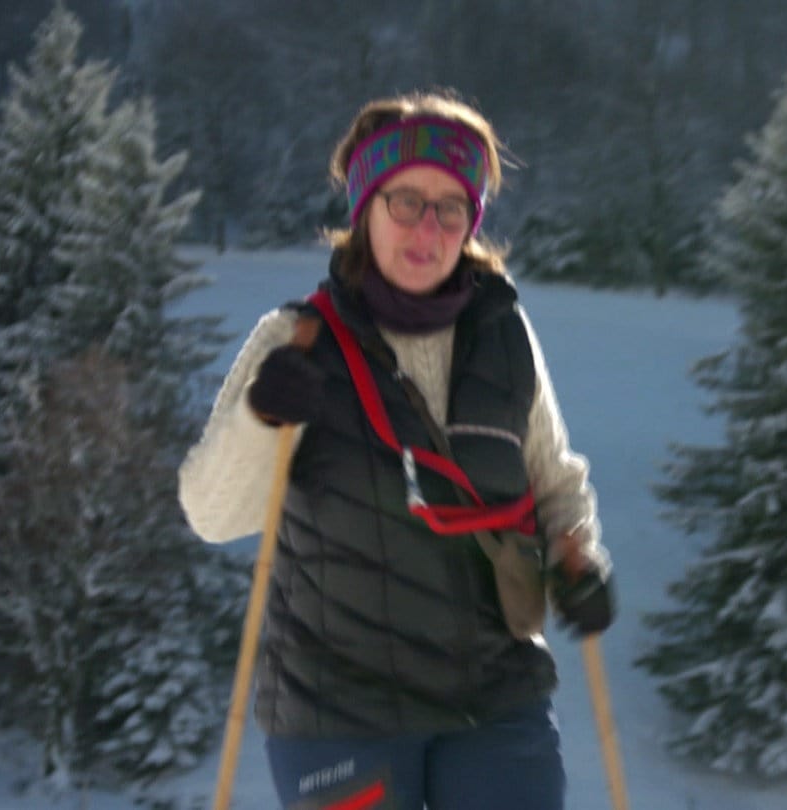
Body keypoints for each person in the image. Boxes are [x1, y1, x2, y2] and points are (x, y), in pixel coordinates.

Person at [178, 90, 614, 810]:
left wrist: (580, 559)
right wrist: (260, 416)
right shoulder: (297, 342)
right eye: (405, 201)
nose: (428, 228)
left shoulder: (504, 336)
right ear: (364, 210)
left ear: (471, 223)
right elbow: (211, 513)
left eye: (451, 207)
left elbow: (554, 481)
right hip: (339, 711)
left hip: (494, 699)